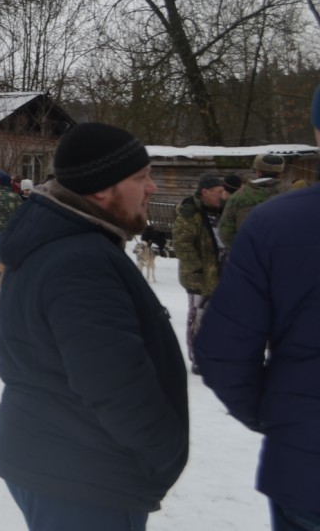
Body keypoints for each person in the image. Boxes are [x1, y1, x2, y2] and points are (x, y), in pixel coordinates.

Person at [0, 122, 188, 530]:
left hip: (57, 457)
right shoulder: (80, 261)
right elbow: (114, 381)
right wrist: (164, 455)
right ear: (101, 189)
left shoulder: (57, 239)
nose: (152, 188)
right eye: (141, 177)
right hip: (84, 475)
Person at [194, 84, 320, 531]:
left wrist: (278, 412)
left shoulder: (272, 219)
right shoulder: (275, 212)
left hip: (307, 469)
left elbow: (223, 351)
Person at [172, 173, 229, 375]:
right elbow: (182, 244)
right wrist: (197, 268)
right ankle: (198, 358)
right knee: (199, 317)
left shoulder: (224, 210)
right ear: (205, 192)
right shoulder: (190, 212)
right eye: (218, 191)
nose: (222, 195)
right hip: (199, 276)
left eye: (223, 191)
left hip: (224, 271)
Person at [218, 153, 288, 254]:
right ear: (280, 173)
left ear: (258, 172)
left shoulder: (237, 197)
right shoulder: (295, 195)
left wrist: (243, 253)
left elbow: (225, 233)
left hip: (249, 257)